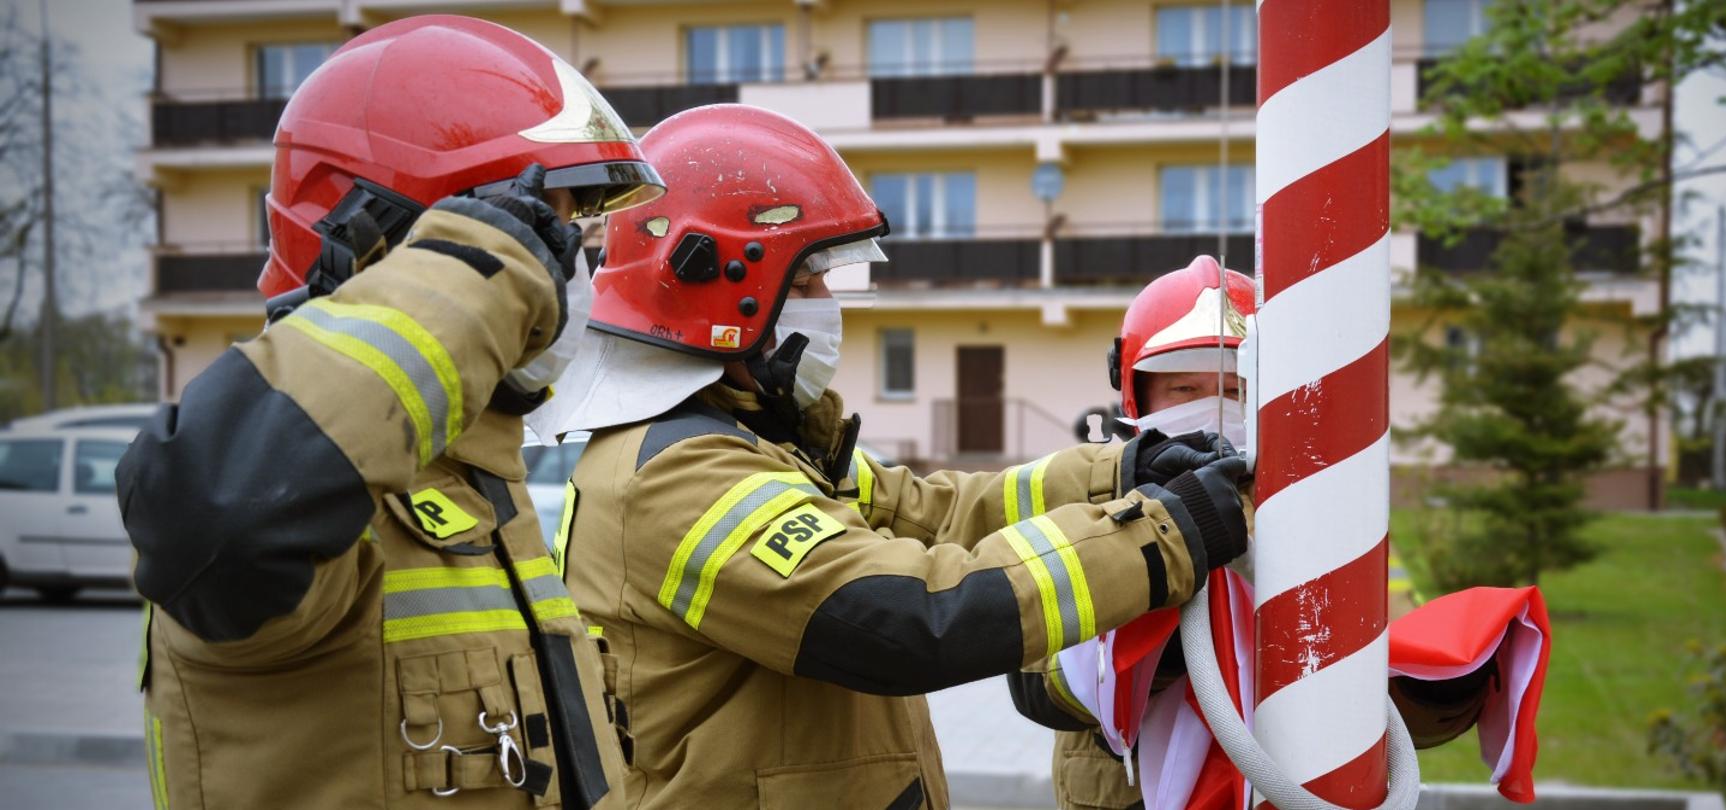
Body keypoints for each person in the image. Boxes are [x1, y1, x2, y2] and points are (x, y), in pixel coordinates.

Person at [529, 104, 1254, 810]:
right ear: (727, 288)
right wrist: (1165, 535)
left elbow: (937, 512)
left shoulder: (764, 442)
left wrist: (1124, 471)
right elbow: (909, 616)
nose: (825, 304)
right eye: (808, 281)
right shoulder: (677, 475)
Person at [116, 16, 664, 809]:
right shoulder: (316, 498)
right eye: (543, 228)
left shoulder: (479, 487)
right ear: (396, 237)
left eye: (571, 234)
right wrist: (487, 270)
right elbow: (217, 517)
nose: (566, 271)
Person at [1009, 257, 1481, 810]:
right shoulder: (1092, 497)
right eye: (1184, 389)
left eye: (1233, 389)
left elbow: (1397, 709)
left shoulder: (1326, 510)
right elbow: (1036, 684)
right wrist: (1159, 652)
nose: (1210, 411)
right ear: (1136, 394)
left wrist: (1443, 687)